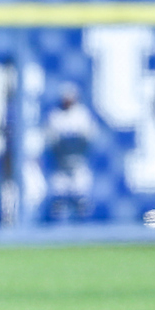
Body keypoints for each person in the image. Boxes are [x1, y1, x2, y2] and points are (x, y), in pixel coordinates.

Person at [43, 82, 97, 220]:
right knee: (58, 200)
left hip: (79, 163)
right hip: (61, 165)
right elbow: (50, 140)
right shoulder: (55, 116)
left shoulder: (82, 115)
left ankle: (85, 233)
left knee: (81, 199)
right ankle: (57, 234)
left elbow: (89, 136)